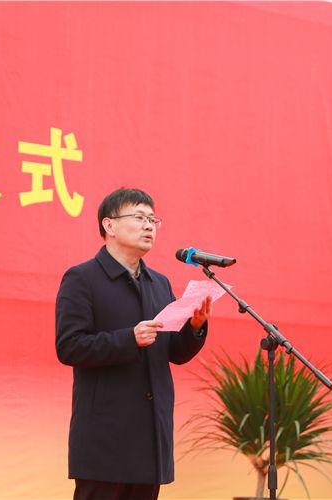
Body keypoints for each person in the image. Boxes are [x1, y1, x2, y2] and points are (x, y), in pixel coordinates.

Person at [55, 187, 212, 500]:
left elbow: (174, 352)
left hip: (149, 438)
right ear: (109, 225)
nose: (149, 226)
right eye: (140, 218)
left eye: (153, 220)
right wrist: (129, 338)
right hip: (105, 439)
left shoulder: (159, 283)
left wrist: (194, 328)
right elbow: (69, 346)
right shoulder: (82, 278)